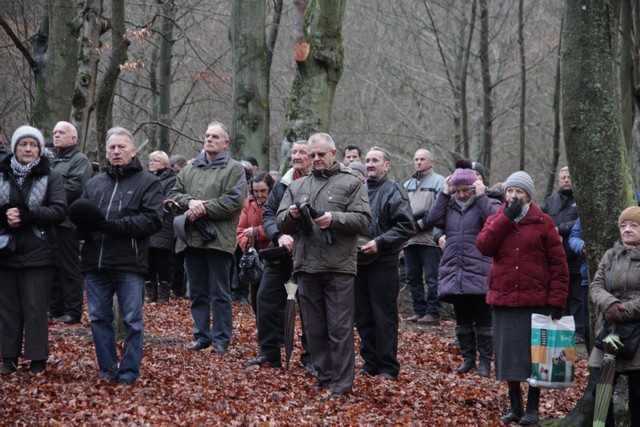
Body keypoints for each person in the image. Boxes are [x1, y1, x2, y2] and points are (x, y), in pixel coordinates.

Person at [277, 133, 371, 397]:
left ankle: (341, 384)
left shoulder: (352, 182)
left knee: (340, 328)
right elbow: (280, 220)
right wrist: (292, 215)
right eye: (312, 154)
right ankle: (323, 377)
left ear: (333, 153)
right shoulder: (297, 186)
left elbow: (364, 220)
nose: (316, 159)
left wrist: (334, 219)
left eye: (321, 154)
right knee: (314, 327)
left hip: (338, 266)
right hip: (306, 265)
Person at [71, 126, 163, 385]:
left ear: (133, 151)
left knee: (132, 319)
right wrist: (81, 229)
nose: (116, 151)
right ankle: (108, 369)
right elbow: (79, 219)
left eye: (122, 147)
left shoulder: (148, 182)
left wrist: (115, 227)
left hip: (129, 263)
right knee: (99, 318)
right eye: (112, 147)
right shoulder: (94, 183)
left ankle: (130, 372)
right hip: (94, 262)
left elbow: (152, 220)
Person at [476, 171, 569, 425]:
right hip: (504, 299)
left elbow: (559, 264)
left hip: (535, 300)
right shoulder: (497, 218)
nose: (513, 196)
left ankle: (532, 409)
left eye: (518, 191)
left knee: (534, 358)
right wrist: (504, 219)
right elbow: (483, 246)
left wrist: (557, 300)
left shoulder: (543, 221)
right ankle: (515, 406)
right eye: (510, 191)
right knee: (508, 357)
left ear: (528, 195)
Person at [170, 121, 246, 355]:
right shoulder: (189, 169)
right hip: (191, 238)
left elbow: (234, 201)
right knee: (197, 291)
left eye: (215, 136)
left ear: (226, 142)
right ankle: (202, 336)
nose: (209, 139)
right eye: (207, 135)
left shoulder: (235, 169)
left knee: (220, 292)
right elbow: (174, 194)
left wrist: (205, 208)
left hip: (219, 240)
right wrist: (190, 203)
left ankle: (222, 339)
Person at [0, 126, 67, 375]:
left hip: (39, 250)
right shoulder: (2, 173)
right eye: (23, 144)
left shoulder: (51, 176)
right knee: (7, 309)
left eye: (33, 145)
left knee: (35, 307)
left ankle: (37, 360)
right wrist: (4, 214)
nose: (28, 149)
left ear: (40, 149)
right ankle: (8, 358)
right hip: (5, 250)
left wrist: (29, 215)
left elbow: (60, 210)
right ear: (14, 148)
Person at [427, 159, 501, 377]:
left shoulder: (489, 202)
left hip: (480, 269)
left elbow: (495, 223)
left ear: (474, 187)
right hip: (455, 269)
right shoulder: (448, 204)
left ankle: (485, 362)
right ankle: (468, 359)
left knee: (484, 321)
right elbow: (433, 219)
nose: (460, 195)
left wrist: (480, 197)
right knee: (463, 320)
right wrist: (443, 193)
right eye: (457, 190)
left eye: (465, 190)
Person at [245, 140, 313, 370]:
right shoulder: (283, 183)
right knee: (264, 299)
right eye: (294, 152)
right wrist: (279, 236)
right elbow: (269, 214)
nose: (296, 156)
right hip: (281, 254)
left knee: (307, 305)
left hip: (310, 255)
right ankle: (269, 353)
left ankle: (311, 358)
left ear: (313, 157)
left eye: (302, 152)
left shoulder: (319, 181)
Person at [355, 147, 413, 380]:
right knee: (363, 316)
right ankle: (370, 363)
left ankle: (388, 366)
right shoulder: (359, 190)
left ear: (386, 165)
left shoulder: (394, 191)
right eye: (367, 160)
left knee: (384, 316)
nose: (370, 164)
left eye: (375, 160)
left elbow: (405, 227)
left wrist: (380, 242)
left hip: (384, 262)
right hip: (358, 262)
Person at [588, 206, 640, 426]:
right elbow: (596, 285)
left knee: (638, 396)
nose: (627, 230)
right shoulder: (611, 255)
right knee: (600, 393)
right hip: (610, 333)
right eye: (623, 225)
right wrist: (609, 304)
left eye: (634, 225)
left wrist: (622, 311)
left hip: (639, 336)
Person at [49, 121, 92, 324]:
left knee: (69, 266)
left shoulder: (80, 160)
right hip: (50, 220)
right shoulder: (53, 160)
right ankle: (56, 307)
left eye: (61, 132)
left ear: (73, 138)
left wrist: (48, 197)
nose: (56, 135)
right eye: (55, 132)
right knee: (53, 265)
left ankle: (73, 311)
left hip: (68, 221)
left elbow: (75, 187)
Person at [541, 166, 583, 342]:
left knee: (577, 297)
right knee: (561, 297)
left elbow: (581, 221)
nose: (566, 180)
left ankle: (579, 331)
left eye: (569, 177)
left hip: (576, 258)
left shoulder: (581, 199)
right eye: (563, 177)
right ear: (559, 180)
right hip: (556, 259)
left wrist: (560, 229)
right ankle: (562, 329)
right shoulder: (551, 201)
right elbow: (540, 218)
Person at [403, 148, 445, 324]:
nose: (418, 162)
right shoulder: (407, 184)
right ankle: (419, 311)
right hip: (410, 241)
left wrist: (418, 226)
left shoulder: (439, 182)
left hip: (430, 240)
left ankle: (433, 312)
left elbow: (438, 211)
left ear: (430, 162)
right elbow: (402, 211)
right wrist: (406, 229)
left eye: (422, 159)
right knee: (412, 277)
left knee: (432, 277)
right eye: (416, 159)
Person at [236, 172, 274, 314]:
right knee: (256, 302)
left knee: (269, 299)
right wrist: (248, 245)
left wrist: (257, 231)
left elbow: (278, 225)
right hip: (256, 260)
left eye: (263, 191)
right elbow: (240, 230)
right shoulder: (249, 203)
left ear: (270, 189)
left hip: (273, 256)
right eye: (256, 191)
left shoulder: (277, 202)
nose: (259, 194)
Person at [147, 150, 177, 302]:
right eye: (150, 160)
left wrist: (151, 202)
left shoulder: (172, 180)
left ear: (164, 163)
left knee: (163, 259)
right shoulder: (145, 178)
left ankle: (164, 295)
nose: (151, 163)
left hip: (163, 224)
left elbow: (169, 199)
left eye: (156, 160)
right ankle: (151, 294)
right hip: (147, 223)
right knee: (148, 259)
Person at [568, 218, 590, 349]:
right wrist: (582, 246)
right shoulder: (589, 207)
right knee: (589, 330)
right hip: (589, 278)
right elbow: (574, 236)